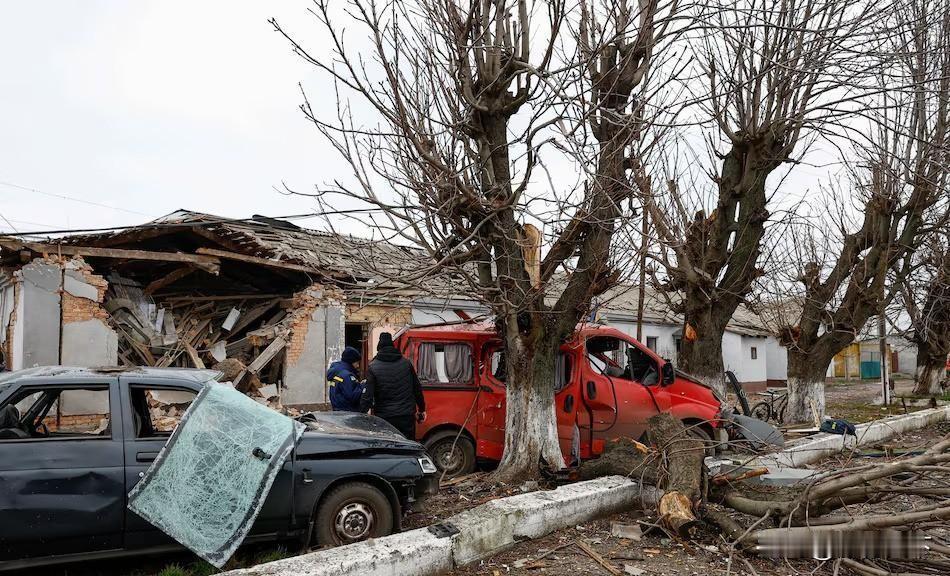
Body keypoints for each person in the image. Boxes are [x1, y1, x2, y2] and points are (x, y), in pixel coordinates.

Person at [359, 332, 426, 438]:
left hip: (384, 418)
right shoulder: (406, 363)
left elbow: (367, 396)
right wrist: (422, 409)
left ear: (379, 347)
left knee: (388, 449)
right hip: (406, 416)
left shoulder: (373, 367)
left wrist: (361, 415)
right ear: (392, 346)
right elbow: (417, 389)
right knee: (407, 447)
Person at [327, 346, 364, 412]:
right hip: (348, 412)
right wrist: (363, 386)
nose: (358, 366)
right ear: (351, 361)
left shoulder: (336, 372)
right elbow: (353, 396)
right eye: (357, 363)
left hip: (338, 410)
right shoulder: (346, 375)